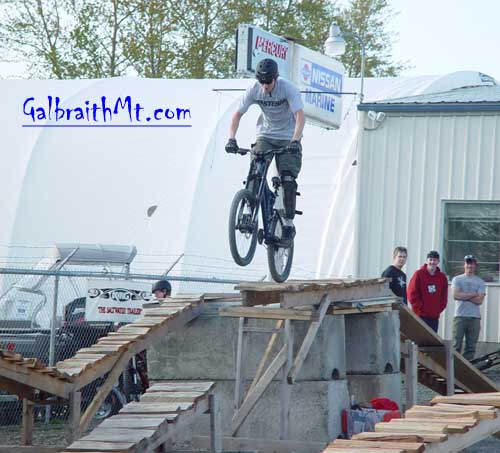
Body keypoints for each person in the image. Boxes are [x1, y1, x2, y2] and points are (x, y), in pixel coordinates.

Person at [225, 58, 305, 246]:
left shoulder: (288, 89)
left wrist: (295, 140)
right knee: (256, 171)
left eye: (268, 82)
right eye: (262, 82)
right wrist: (231, 138)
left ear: (275, 78)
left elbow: (300, 116)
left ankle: (288, 223)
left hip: (288, 136)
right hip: (266, 135)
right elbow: (237, 114)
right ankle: (248, 212)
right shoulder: (254, 89)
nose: (265, 86)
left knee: (287, 178)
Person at [452, 255, 486, 360]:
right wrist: (473, 294)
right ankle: (454, 367)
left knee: (471, 347)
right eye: (468, 263)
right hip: (460, 316)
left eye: (472, 263)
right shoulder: (457, 279)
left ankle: (467, 368)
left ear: (475, 265)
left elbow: (479, 300)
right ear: (464, 264)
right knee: (456, 345)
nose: (469, 265)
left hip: (475, 318)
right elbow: (456, 295)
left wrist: (463, 295)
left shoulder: (480, 281)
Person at [407, 250, 448, 332]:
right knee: (419, 338)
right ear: (426, 261)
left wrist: (437, 310)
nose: (432, 262)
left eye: (435, 260)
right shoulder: (419, 274)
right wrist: (419, 310)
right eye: (430, 259)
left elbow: (444, 296)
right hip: (420, 316)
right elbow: (411, 293)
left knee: (432, 339)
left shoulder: (442, 277)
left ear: (438, 262)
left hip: (434, 318)